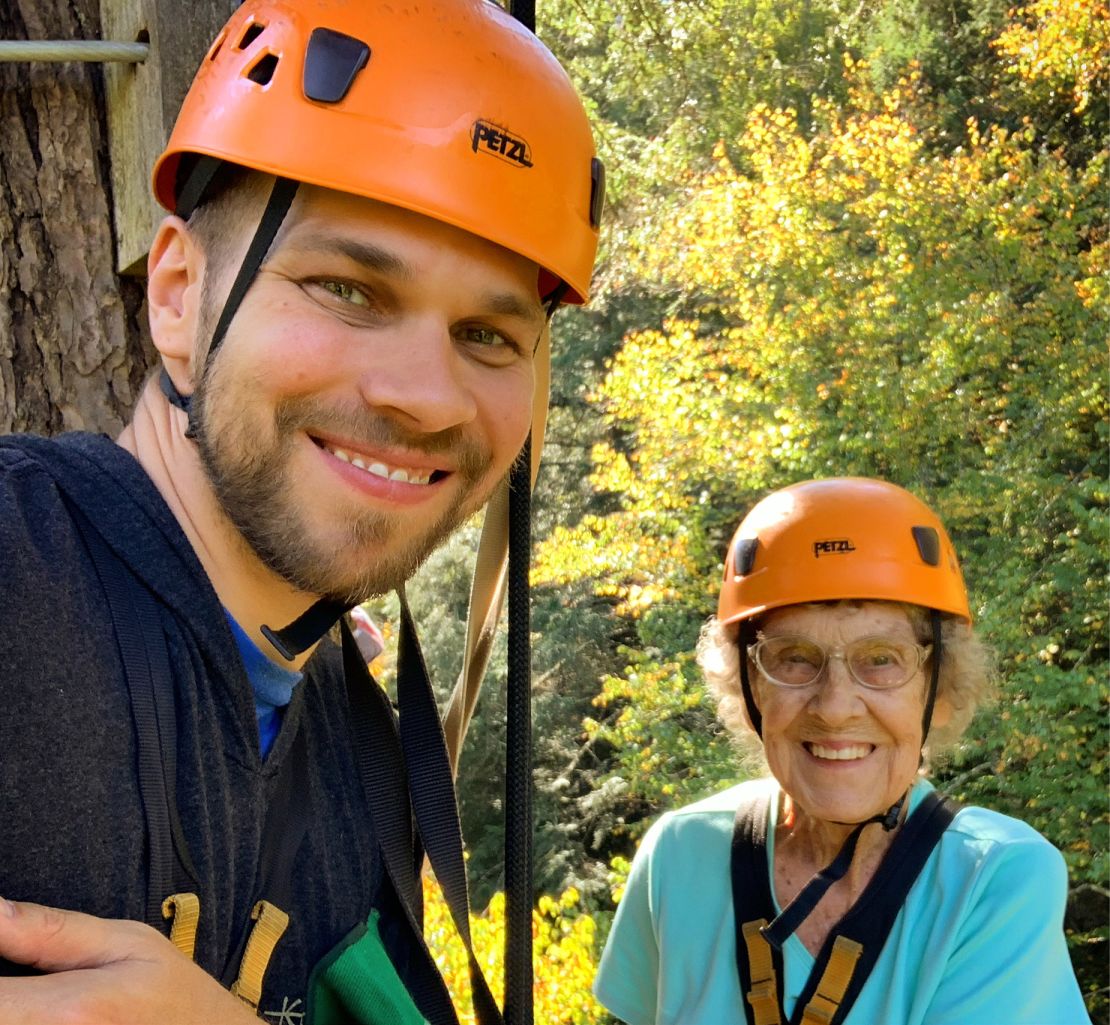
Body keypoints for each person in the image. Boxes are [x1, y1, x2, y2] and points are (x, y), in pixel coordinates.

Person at [0, 1, 600, 1022]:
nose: (427, 393)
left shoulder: (359, 756)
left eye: (489, 335)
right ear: (182, 293)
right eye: (349, 289)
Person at [594, 478, 1090, 1025]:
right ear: (748, 688)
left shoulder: (993, 877)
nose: (834, 707)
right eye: (793, 658)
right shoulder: (680, 854)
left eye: (881, 658)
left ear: (940, 691)